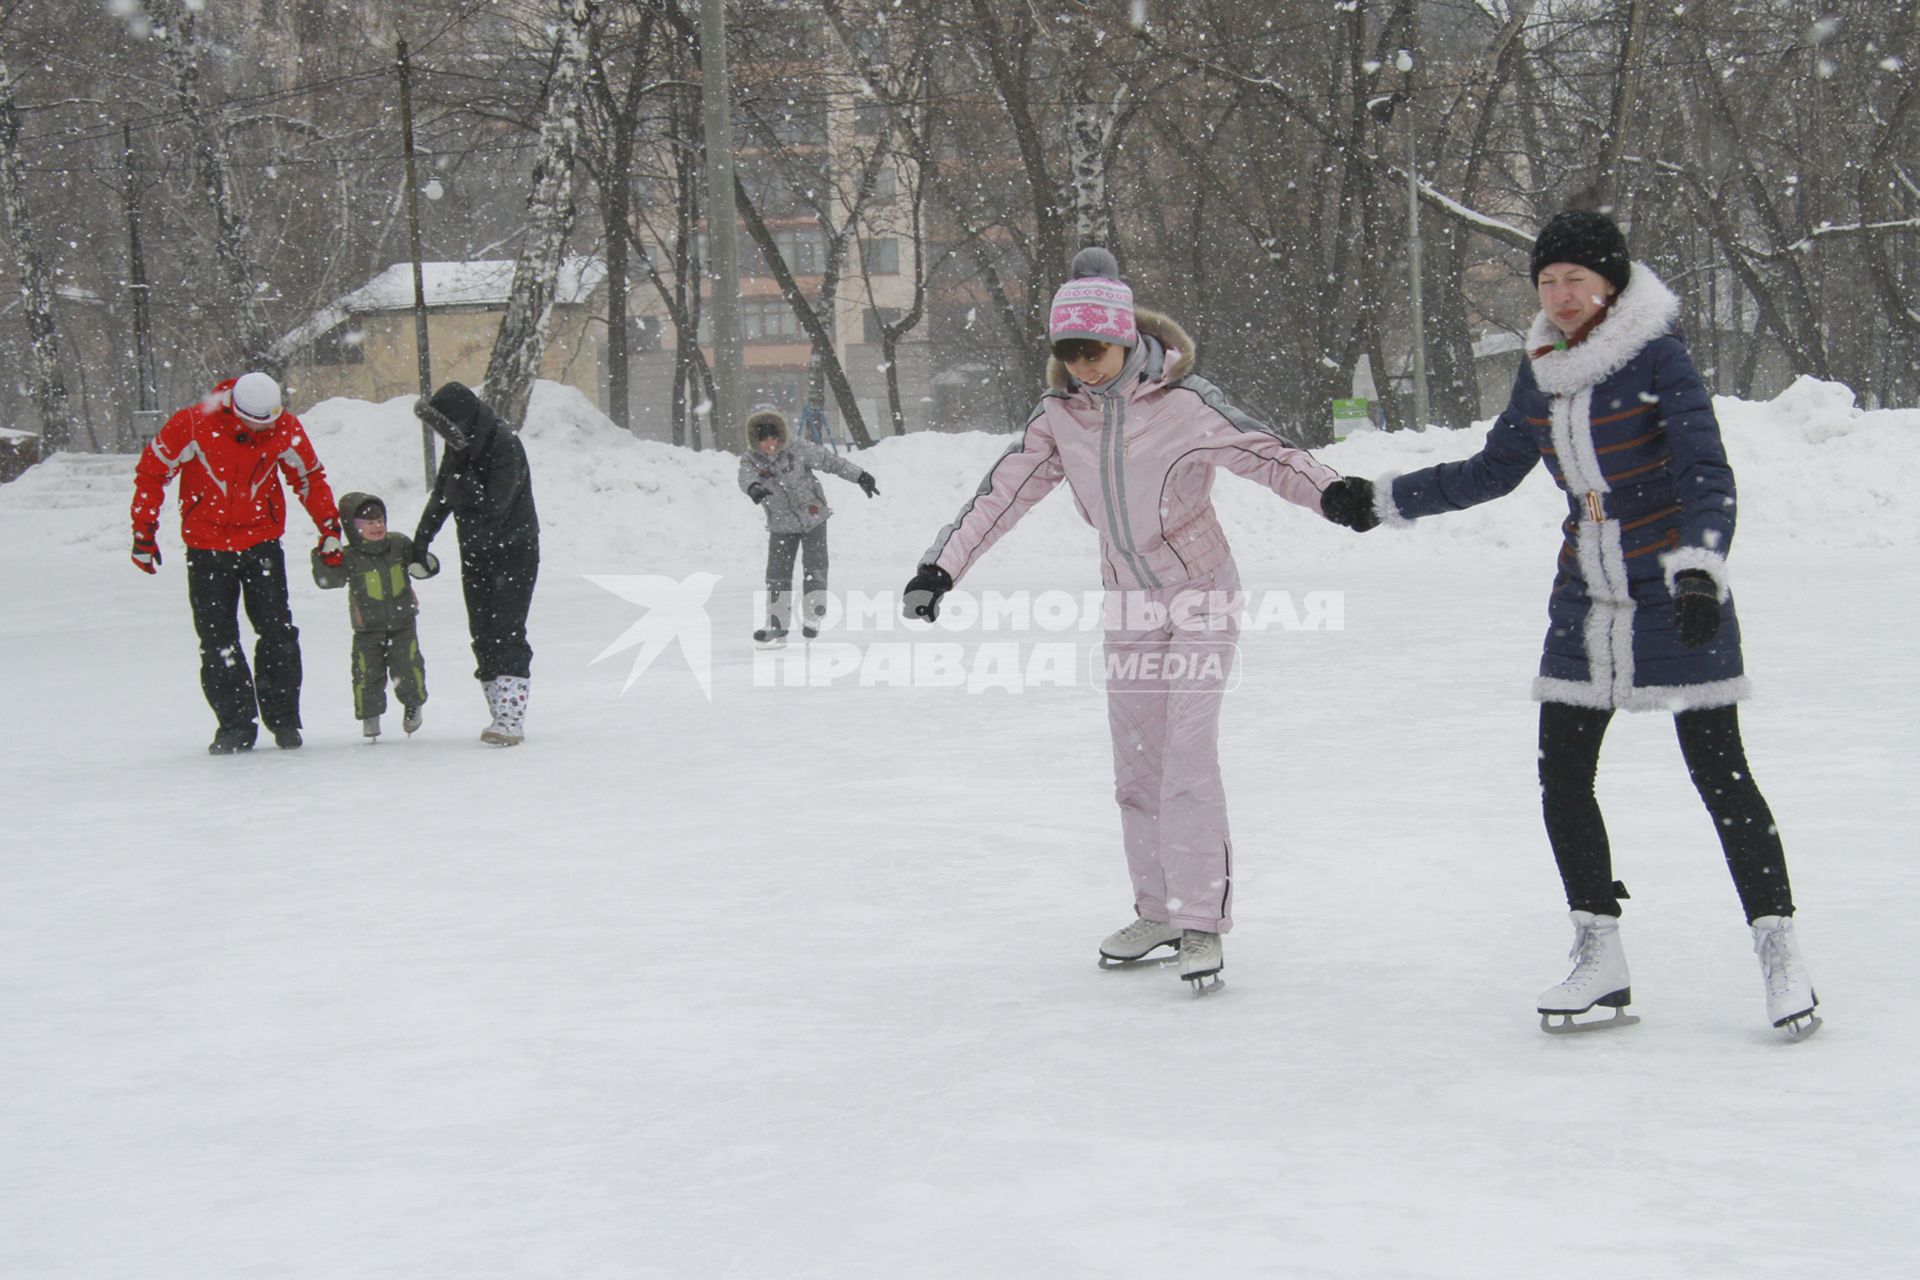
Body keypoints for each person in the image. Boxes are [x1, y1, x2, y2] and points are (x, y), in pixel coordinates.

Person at [1352, 208, 1819, 1037]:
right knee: (1562, 777)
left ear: (1610, 283)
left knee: (1721, 777)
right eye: (1547, 281)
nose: (1560, 295)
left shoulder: (1657, 358)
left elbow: (1705, 471)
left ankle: (1779, 950)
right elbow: (1493, 470)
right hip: (1585, 596)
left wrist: (1702, 570)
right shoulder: (1540, 372)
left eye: (1576, 279)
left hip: (1676, 587)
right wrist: (1384, 499)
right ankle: (1598, 953)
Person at [901, 247, 1377, 992]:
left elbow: (1267, 453)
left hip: (1200, 595)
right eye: (1070, 354)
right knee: (1137, 768)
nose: (1084, 367)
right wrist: (941, 568)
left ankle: (1200, 922)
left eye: (1094, 351)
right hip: (1126, 600)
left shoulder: (1184, 402)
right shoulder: (1061, 417)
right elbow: (1001, 495)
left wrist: (1334, 493)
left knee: (1187, 758)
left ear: (1125, 338)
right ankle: (1157, 909)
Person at [130, 371, 341, 754]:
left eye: (269, 422)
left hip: (262, 544)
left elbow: (309, 476)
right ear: (234, 410)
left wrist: (329, 529)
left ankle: (284, 721)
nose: (262, 430)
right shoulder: (192, 424)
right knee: (218, 641)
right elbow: (151, 473)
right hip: (207, 549)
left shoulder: (285, 427)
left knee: (278, 634)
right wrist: (143, 533)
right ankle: (235, 725)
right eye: (252, 423)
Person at [411, 381, 539, 746]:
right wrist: (421, 541)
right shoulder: (460, 446)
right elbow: (442, 495)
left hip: (515, 551)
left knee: (508, 631)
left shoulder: (505, 445)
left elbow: (496, 506)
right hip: (476, 552)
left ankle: (511, 720)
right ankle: (499, 714)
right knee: (482, 632)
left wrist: (462, 488)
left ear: (462, 419)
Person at [737, 406, 878, 646]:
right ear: (755, 440)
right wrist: (754, 489)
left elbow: (831, 461)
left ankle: (813, 616)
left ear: (780, 436)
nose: (770, 445)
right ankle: (776, 626)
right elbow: (746, 477)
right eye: (764, 441)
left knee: (815, 569)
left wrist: (860, 476)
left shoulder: (798, 449)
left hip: (813, 518)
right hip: (781, 523)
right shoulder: (751, 459)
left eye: (773, 439)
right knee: (777, 576)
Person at [311, 492, 440, 740]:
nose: (377, 527)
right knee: (366, 673)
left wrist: (426, 566)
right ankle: (370, 715)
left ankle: (413, 705)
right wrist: (323, 557)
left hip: (403, 623)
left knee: (408, 666)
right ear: (352, 527)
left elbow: (421, 563)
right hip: (367, 628)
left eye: (380, 521)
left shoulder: (398, 544)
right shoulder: (350, 556)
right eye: (368, 523)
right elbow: (329, 581)